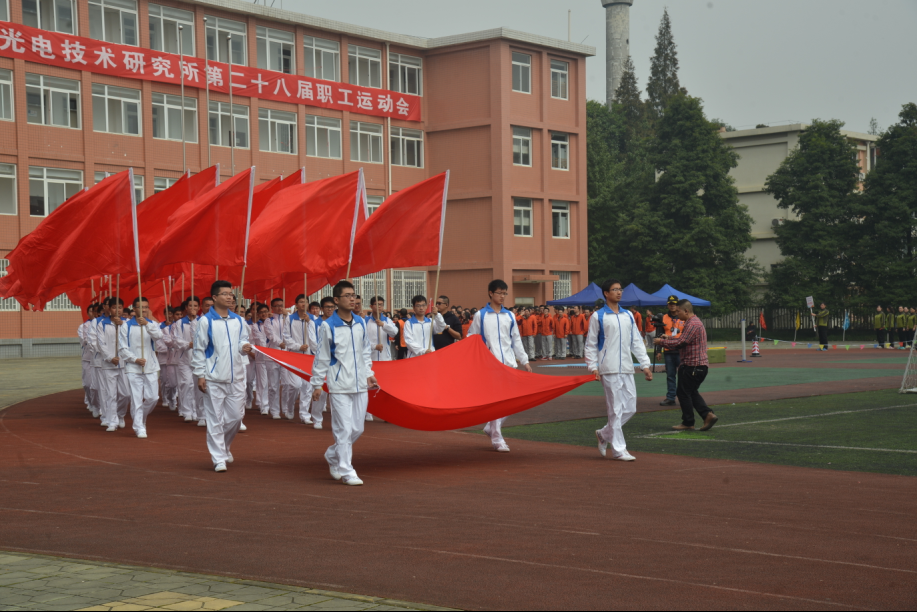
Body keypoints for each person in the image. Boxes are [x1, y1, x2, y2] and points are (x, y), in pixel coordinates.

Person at [310, 280, 378, 486]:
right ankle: (347, 471)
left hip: (360, 384)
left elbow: (365, 351)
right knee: (343, 430)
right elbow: (322, 356)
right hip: (339, 385)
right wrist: (317, 384)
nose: (352, 299)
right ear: (337, 300)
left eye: (353, 295)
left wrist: (369, 373)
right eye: (347, 296)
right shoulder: (328, 326)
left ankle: (333, 455)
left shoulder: (360, 322)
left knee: (357, 429)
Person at [586, 279, 653, 461]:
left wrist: (645, 364)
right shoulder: (598, 316)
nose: (619, 292)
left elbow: (636, 341)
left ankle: (603, 434)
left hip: (627, 367)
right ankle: (619, 450)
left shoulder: (628, 315)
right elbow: (591, 344)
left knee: (630, 407)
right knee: (615, 409)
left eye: (620, 289)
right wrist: (593, 366)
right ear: (606, 293)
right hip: (608, 368)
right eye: (614, 289)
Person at [192, 281, 254, 472]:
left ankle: (224, 447)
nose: (229, 297)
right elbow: (199, 349)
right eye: (225, 294)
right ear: (214, 298)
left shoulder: (239, 320)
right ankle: (218, 458)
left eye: (231, 294)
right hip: (214, 377)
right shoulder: (205, 321)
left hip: (237, 376)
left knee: (236, 417)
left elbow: (243, 340)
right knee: (215, 419)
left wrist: (244, 347)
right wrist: (200, 374)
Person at [467, 279, 532, 452]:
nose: (502, 296)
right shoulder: (481, 315)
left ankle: (491, 427)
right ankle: (497, 438)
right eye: (499, 293)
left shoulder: (509, 315)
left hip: (509, 363)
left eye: (505, 293)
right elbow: (471, 338)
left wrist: (524, 360)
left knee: (514, 399)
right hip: (490, 365)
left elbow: (516, 339)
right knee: (496, 401)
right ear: (491, 293)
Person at [655, 299, 718, 432]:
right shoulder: (693, 322)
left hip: (692, 365)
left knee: (683, 393)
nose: (677, 314)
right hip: (699, 366)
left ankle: (688, 422)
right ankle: (707, 414)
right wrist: (668, 338)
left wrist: (661, 342)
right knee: (691, 392)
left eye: (678, 311)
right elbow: (683, 339)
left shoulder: (692, 324)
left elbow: (681, 342)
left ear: (686, 311)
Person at [119, 297, 164, 439]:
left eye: (145, 307)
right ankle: (139, 427)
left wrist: (147, 325)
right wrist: (135, 359)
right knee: (136, 398)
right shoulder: (126, 326)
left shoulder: (153, 324)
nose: (143, 310)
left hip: (150, 366)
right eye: (140, 307)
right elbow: (122, 348)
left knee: (153, 397)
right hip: (133, 367)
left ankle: (141, 416)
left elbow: (159, 336)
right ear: (134, 309)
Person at [97, 298, 131, 432]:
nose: (117, 310)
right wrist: (110, 357)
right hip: (109, 364)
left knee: (126, 394)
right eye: (114, 307)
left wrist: (121, 325)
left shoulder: (127, 323)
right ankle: (112, 421)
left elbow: (131, 339)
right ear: (109, 309)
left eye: (120, 307)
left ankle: (120, 414)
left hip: (124, 364)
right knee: (111, 394)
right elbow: (101, 344)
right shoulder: (102, 324)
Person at [281, 294, 314, 421]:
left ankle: (304, 415)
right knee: (295, 385)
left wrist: (309, 322)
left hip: (309, 357)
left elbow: (317, 336)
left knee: (307, 387)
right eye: (301, 302)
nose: (303, 304)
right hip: (294, 356)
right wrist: (298, 346)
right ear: (296, 304)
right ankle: (289, 408)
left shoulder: (313, 319)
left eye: (306, 302)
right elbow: (286, 337)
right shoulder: (290, 319)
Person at [171, 297, 203, 424]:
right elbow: (175, 340)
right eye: (190, 306)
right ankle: (187, 411)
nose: (193, 308)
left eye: (195, 306)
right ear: (186, 307)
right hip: (184, 358)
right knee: (186, 384)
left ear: (198, 307)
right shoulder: (179, 323)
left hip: (199, 359)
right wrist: (188, 344)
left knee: (199, 386)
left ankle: (199, 413)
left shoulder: (202, 321)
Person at [306, 297, 336, 429]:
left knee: (336, 392)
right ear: (322, 309)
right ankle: (317, 419)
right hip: (321, 360)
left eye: (332, 307)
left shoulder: (338, 323)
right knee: (321, 390)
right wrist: (323, 352)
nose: (330, 309)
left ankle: (337, 420)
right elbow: (313, 342)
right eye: (327, 307)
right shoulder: (314, 323)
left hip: (336, 361)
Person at [659, 296, 685, 406]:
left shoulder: (682, 316)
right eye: (670, 303)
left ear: (677, 305)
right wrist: (658, 351)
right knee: (670, 375)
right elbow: (660, 334)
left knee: (683, 375)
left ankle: (685, 397)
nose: (672, 305)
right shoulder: (664, 317)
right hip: (668, 350)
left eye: (674, 303)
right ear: (667, 305)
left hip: (681, 350)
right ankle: (670, 397)